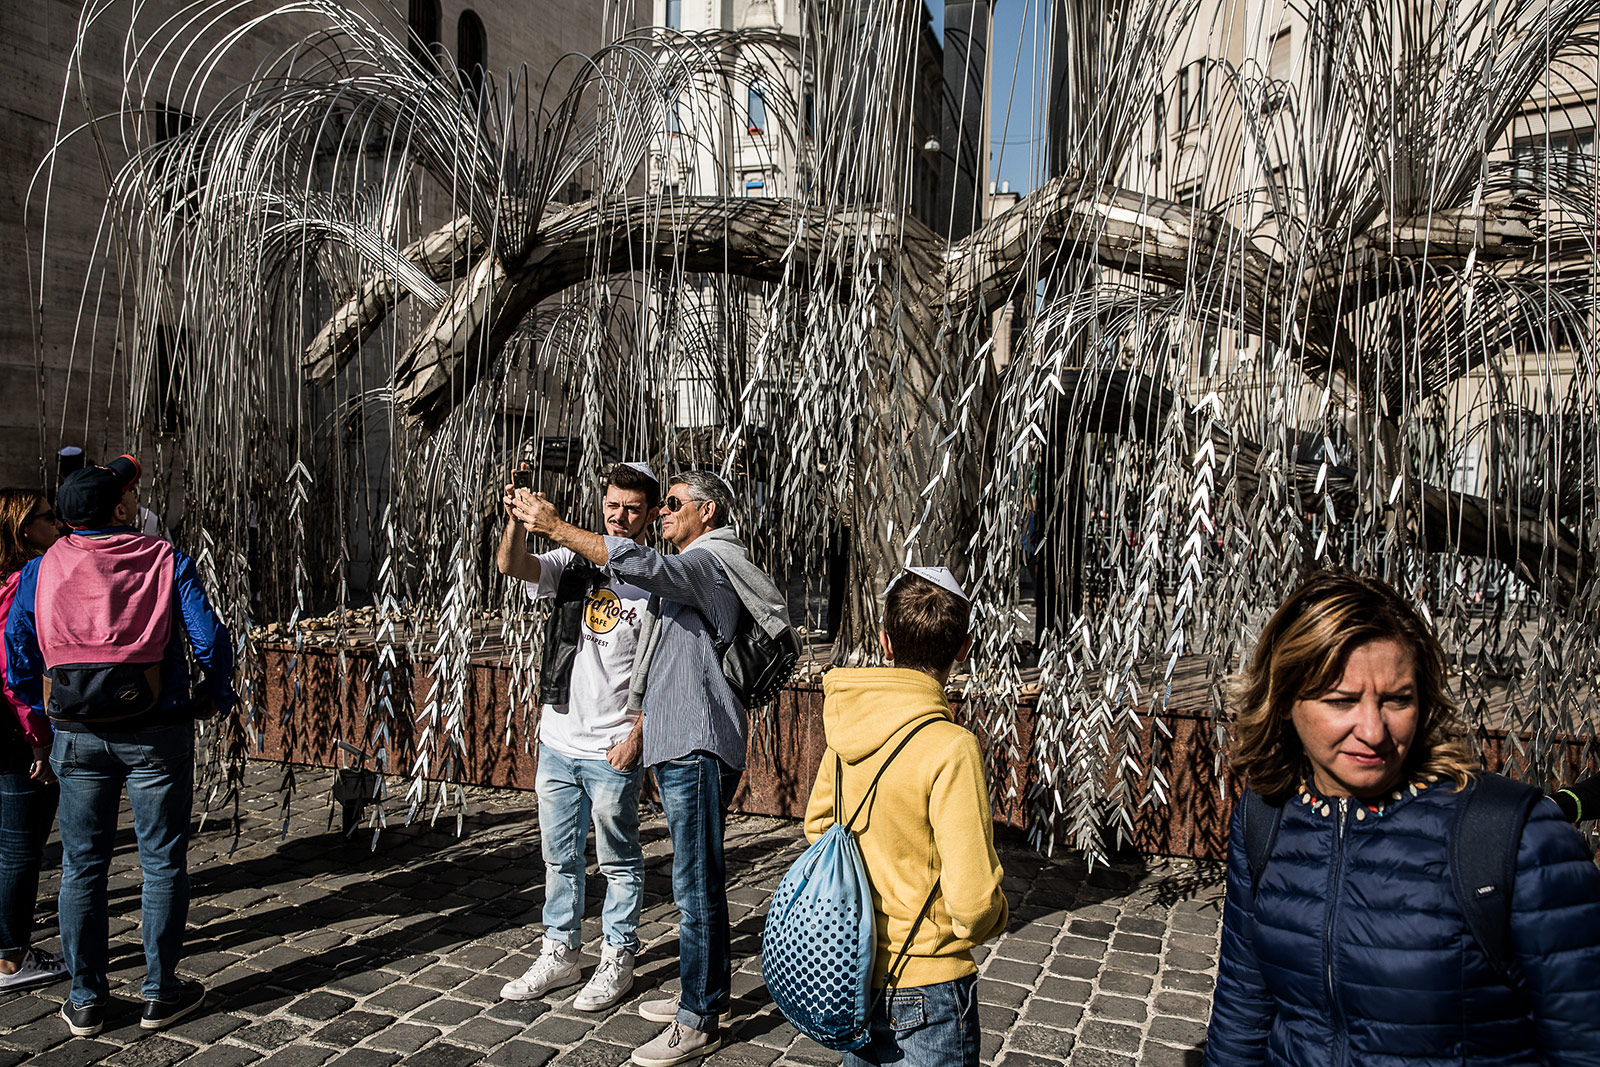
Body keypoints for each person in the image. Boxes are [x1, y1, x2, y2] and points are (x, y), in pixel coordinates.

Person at [1204, 570, 1600, 1066]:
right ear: (1283, 701)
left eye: (1397, 700)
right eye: (1341, 701)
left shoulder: (1513, 834)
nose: (1373, 730)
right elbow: (1245, 1002)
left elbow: (1585, 1041)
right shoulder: (1266, 813)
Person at [514, 470, 785, 1067]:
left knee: (694, 886)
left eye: (672, 504)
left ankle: (698, 1019)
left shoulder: (709, 560)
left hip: (697, 744)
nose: (663, 513)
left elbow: (643, 567)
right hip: (680, 741)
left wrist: (557, 526)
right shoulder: (701, 560)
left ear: (707, 512)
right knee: (696, 880)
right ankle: (705, 996)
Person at [4, 455, 234, 1037]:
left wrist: (43, 712)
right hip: (157, 727)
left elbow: (17, 653)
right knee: (162, 862)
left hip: (78, 736)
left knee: (82, 868)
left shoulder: (40, 570)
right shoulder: (165, 558)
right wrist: (215, 695)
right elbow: (209, 637)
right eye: (128, 497)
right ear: (121, 509)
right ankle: (161, 994)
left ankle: (85, 1000)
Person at [802, 567, 1007, 1067]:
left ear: (884, 641)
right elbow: (974, 903)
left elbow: (817, 828)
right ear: (964, 647)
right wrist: (995, 915)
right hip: (930, 985)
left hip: (851, 973)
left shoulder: (850, 726)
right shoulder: (951, 747)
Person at [494, 461, 658, 1012]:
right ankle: (560, 951)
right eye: (613, 505)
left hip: (613, 746)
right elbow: (511, 564)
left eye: (633, 508)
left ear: (651, 515)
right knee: (558, 856)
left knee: (619, 859)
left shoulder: (656, 575)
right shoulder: (571, 565)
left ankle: (619, 956)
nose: (620, 516)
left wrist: (637, 736)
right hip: (559, 740)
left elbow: (664, 669)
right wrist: (519, 517)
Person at [0, 490, 69, 991]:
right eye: (48, 518)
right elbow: (14, 670)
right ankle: (9, 958)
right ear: (23, 529)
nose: (59, 524)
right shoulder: (22, 582)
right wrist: (38, 740)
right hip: (12, 729)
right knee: (20, 849)